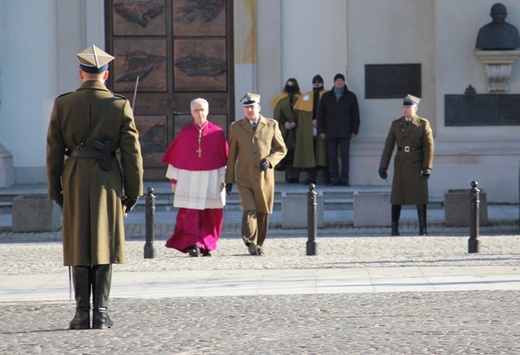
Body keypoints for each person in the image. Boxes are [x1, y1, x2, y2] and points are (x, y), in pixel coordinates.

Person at [46, 45, 143, 329]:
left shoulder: (63, 104)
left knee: (78, 244)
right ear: (106, 74)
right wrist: (133, 190)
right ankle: (100, 312)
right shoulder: (119, 104)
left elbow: (53, 151)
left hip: (74, 177)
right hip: (107, 179)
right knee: (104, 242)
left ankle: (80, 314)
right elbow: (131, 153)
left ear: (80, 74)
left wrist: (56, 191)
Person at [161, 98, 229, 257]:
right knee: (190, 212)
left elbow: (223, 159)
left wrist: (223, 180)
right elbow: (177, 157)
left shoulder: (217, 132)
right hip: (188, 178)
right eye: (196, 111)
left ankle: (207, 243)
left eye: (203, 110)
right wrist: (174, 179)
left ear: (208, 110)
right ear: (191, 113)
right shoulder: (185, 133)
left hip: (211, 177)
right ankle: (193, 243)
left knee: (210, 213)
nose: (200, 114)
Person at [226, 93, 287, 256]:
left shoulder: (271, 125)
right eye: (246, 107)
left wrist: (270, 160)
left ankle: (259, 243)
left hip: (264, 177)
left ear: (259, 107)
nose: (249, 110)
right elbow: (232, 155)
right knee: (249, 209)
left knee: (263, 211)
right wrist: (229, 179)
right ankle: (250, 241)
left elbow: (282, 149)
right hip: (244, 176)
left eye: (252, 106)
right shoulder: (236, 127)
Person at [378, 95, 434, 236]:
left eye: (408, 108)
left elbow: (429, 147)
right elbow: (388, 146)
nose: (405, 110)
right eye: (404, 107)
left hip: (417, 163)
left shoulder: (423, 124)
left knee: (420, 196)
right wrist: (383, 166)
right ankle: (394, 227)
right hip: (402, 163)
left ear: (415, 108)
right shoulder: (396, 124)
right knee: (397, 196)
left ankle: (423, 228)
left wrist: (427, 167)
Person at [317, 73, 360, 186]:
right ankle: (334, 178)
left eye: (341, 80)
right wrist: (321, 130)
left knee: (345, 156)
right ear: (334, 82)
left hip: (345, 131)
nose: (339, 82)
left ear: (344, 82)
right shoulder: (326, 96)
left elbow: (356, 114)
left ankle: (344, 178)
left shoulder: (351, 96)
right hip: (330, 131)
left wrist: (354, 129)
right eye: (337, 80)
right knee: (332, 157)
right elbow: (320, 115)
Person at [293, 74, 329, 185]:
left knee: (324, 152)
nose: (317, 83)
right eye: (315, 82)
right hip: (308, 130)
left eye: (319, 81)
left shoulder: (328, 95)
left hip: (323, 129)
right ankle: (311, 177)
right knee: (310, 152)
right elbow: (300, 115)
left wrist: (319, 122)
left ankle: (326, 177)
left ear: (322, 82)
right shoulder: (305, 97)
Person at [270, 78, 302, 183]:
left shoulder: (301, 98)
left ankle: (296, 176)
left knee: (297, 152)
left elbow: (303, 114)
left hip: (297, 130)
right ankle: (289, 177)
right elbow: (278, 113)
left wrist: (295, 122)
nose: (290, 87)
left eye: (292, 85)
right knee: (285, 150)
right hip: (285, 130)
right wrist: (286, 122)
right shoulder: (281, 99)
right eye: (288, 85)